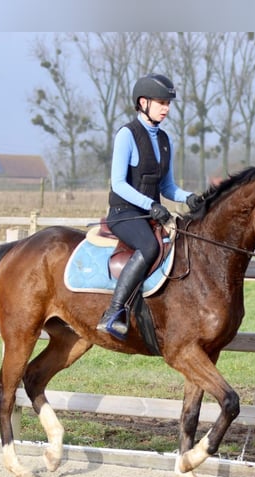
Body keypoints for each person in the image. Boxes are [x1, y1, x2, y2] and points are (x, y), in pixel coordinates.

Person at [97, 73, 203, 339]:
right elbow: (118, 183)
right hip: (124, 214)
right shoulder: (127, 135)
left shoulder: (165, 141)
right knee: (150, 246)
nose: (166, 108)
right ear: (143, 102)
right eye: (161, 102)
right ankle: (114, 311)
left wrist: (188, 197)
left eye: (168, 103)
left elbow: (167, 187)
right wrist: (152, 205)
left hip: (148, 214)